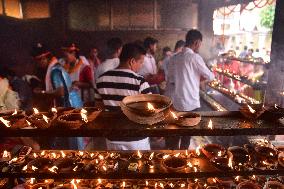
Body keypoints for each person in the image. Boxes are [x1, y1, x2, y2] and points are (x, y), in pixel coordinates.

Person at [95, 43, 151, 150]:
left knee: (116, 165)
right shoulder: (139, 81)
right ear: (132, 61)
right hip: (137, 139)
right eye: (141, 62)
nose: (141, 66)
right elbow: (149, 111)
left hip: (112, 138)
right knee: (139, 166)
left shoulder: (101, 80)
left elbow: (99, 109)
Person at [170, 30, 214, 149]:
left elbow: (171, 80)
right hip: (191, 103)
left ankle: (173, 157)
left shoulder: (174, 58)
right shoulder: (195, 58)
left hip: (177, 102)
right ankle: (183, 158)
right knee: (187, 135)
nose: (200, 46)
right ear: (196, 42)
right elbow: (210, 76)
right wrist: (197, 79)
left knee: (176, 132)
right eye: (200, 43)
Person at [31, 43, 83, 108]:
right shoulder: (54, 68)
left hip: (71, 106)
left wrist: (42, 92)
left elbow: (61, 91)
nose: (37, 65)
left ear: (43, 58)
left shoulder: (55, 70)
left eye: (37, 62)